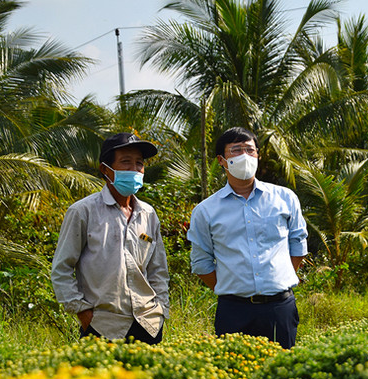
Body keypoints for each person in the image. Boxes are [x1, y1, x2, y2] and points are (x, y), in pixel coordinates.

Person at [187, 127, 308, 349]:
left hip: (279, 307)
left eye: (250, 150)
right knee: (234, 375)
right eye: (236, 150)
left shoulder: (285, 198)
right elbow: (202, 262)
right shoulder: (206, 210)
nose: (244, 155)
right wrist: (234, 288)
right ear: (221, 160)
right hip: (234, 310)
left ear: (258, 156)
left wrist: (277, 280)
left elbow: (298, 244)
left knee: (281, 371)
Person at [51, 133, 169, 343]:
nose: (134, 170)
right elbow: (62, 268)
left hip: (147, 323)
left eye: (139, 164)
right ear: (106, 169)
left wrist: (161, 309)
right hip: (102, 325)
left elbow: (157, 269)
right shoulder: (83, 211)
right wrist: (83, 313)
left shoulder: (148, 214)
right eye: (125, 162)